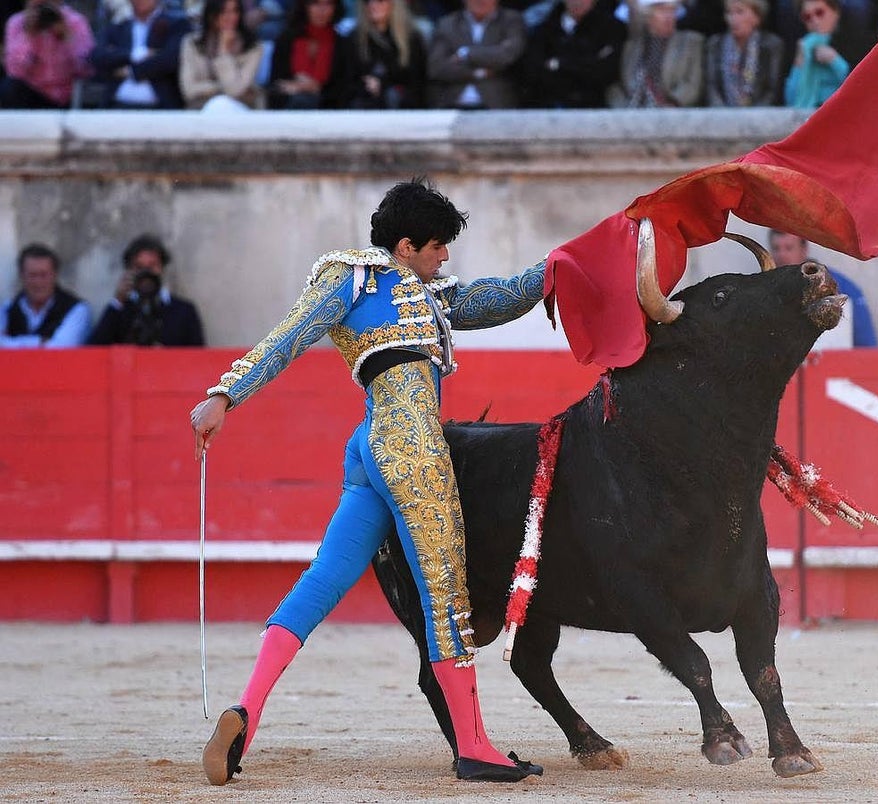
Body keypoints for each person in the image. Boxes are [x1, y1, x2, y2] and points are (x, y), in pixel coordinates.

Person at [190, 178, 547, 786]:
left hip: (369, 447)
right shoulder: (355, 276)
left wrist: (562, 264)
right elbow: (291, 335)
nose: (446, 257)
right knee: (444, 591)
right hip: (410, 446)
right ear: (405, 245)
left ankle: (246, 711)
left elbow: (500, 298)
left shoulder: (421, 291)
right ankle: (475, 745)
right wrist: (225, 392)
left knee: (325, 578)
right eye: (437, 246)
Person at [87, 234, 205, 346]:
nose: (146, 273)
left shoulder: (184, 311)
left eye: (152, 266)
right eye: (139, 267)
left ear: (161, 268)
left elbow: (199, 358)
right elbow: (93, 352)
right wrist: (117, 302)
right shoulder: (121, 310)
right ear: (129, 271)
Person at [768, 229, 877, 346]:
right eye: (776, 248)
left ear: (804, 249)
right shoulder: (766, 291)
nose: (781, 255)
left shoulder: (841, 287)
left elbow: (867, 346)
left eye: (789, 248)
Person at [520, 0, 627, 108]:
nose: (577, 2)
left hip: (592, 107)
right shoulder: (545, 29)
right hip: (548, 105)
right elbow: (533, 71)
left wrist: (558, 64)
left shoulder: (613, 28)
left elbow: (605, 71)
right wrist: (583, 64)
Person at [87, 0, 191, 108]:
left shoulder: (176, 24)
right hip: (116, 105)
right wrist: (136, 54)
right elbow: (98, 57)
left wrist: (130, 71)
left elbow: (169, 60)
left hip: (159, 107)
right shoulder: (118, 27)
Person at [426, 0, 526, 108]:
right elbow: (437, 67)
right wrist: (479, 73)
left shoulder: (511, 20)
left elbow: (506, 55)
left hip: (495, 105)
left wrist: (465, 53)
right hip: (452, 104)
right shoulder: (447, 24)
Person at [606, 0, 706, 107]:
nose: (668, 16)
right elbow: (619, 86)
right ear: (647, 17)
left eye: (672, 11)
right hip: (634, 112)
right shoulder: (631, 47)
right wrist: (624, 110)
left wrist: (673, 103)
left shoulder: (691, 42)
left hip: (673, 113)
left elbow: (693, 83)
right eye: (662, 11)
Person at [0, 0, 94, 108]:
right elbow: (14, 73)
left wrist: (67, 37)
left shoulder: (76, 21)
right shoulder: (16, 23)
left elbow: (86, 70)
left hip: (69, 96)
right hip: (34, 96)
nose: (43, 7)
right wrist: (28, 35)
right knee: (9, 88)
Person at [178, 0, 266, 110]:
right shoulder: (192, 43)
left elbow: (235, 91)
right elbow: (188, 89)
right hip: (200, 107)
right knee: (218, 105)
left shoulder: (253, 47)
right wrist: (220, 88)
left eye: (235, 11)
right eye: (223, 12)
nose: (231, 17)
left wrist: (223, 51)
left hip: (242, 107)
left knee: (221, 105)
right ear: (211, 14)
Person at [783, 0, 872, 107]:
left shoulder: (857, 41)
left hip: (842, 112)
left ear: (836, 12)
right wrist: (799, 64)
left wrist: (835, 60)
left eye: (819, 13)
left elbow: (862, 88)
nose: (814, 21)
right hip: (808, 116)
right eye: (807, 17)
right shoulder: (804, 45)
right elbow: (791, 100)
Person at [267, 0, 355, 109]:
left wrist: (315, 88)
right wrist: (299, 88)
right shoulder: (286, 40)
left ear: (335, 7)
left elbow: (346, 88)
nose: (322, 10)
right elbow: (276, 83)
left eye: (328, 4)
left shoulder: (343, 44)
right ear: (305, 6)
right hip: (289, 108)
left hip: (329, 111)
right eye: (315, 3)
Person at [2, 243, 91, 348]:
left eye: (44, 275)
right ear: (22, 276)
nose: (38, 282)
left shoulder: (77, 309)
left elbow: (61, 349)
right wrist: (40, 342)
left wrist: (11, 343)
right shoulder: (7, 309)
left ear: (55, 275)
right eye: (32, 275)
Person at [347, 0, 428, 109]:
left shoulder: (412, 38)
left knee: (392, 95)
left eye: (380, 1)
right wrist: (365, 86)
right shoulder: (354, 38)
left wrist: (382, 84)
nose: (373, 5)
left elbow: (417, 81)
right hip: (363, 107)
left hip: (403, 110)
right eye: (367, 1)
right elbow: (346, 80)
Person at [705, 0, 785, 106]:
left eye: (739, 12)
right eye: (729, 13)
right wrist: (723, 116)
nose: (732, 19)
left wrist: (753, 117)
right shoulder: (715, 44)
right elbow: (712, 87)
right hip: (722, 116)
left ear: (756, 18)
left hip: (762, 117)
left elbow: (773, 90)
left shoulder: (772, 45)